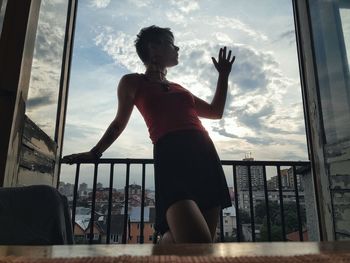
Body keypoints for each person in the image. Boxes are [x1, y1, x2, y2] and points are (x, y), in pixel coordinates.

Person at [63, 25, 235, 244]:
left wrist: (223, 76)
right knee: (196, 243)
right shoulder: (132, 82)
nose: (178, 48)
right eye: (172, 44)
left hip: (205, 157)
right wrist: (95, 152)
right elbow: (118, 123)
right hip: (172, 160)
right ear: (154, 48)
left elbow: (215, 112)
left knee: (202, 245)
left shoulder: (180, 88)